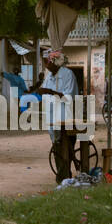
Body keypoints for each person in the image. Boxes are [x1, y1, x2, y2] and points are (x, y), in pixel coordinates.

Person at [35, 50, 78, 182]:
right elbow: (45, 92)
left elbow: (67, 97)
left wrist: (49, 91)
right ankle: (63, 175)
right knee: (56, 146)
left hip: (65, 117)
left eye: (48, 62)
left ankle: (63, 176)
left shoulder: (67, 74)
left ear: (56, 62)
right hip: (52, 117)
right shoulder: (50, 76)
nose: (46, 65)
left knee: (64, 146)